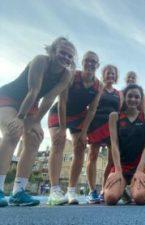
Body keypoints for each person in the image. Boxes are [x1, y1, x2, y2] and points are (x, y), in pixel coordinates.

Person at [0, 37, 76, 207]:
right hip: (9, 97)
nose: (66, 58)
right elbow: (34, 91)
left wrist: (36, 122)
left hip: (31, 103)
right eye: (62, 53)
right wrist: (20, 118)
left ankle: (18, 192)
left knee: (35, 138)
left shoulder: (66, 75)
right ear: (53, 51)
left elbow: (48, 99)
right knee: (13, 131)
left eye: (70, 56)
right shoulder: (40, 61)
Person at [47, 51, 102, 205]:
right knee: (58, 143)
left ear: (98, 65)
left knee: (80, 148)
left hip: (79, 116)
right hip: (59, 113)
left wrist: (84, 132)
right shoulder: (71, 76)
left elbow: (91, 110)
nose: (90, 64)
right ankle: (54, 191)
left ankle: (71, 191)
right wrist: (63, 128)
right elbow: (62, 101)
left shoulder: (99, 85)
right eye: (87, 60)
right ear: (82, 62)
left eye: (94, 61)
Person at [104, 84, 145, 205]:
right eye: (130, 96)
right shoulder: (114, 116)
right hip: (121, 165)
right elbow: (114, 144)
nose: (133, 99)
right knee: (110, 199)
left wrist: (139, 171)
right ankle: (123, 189)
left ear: (141, 99)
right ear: (124, 97)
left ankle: (132, 187)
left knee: (140, 198)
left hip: (140, 165)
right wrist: (118, 171)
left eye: (137, 97)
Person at [86, 64, 123, 203]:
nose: (110, 75)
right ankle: (92, 191)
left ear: (116, 76)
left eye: (113, 73)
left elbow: (119, 111)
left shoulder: (119, 94)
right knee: (92, 156)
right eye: (108, 73)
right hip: (95, 124)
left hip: (111, 127)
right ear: (103, 74)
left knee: (112, 160)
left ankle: (103, 190)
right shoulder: (97, 88)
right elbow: (90, 107)